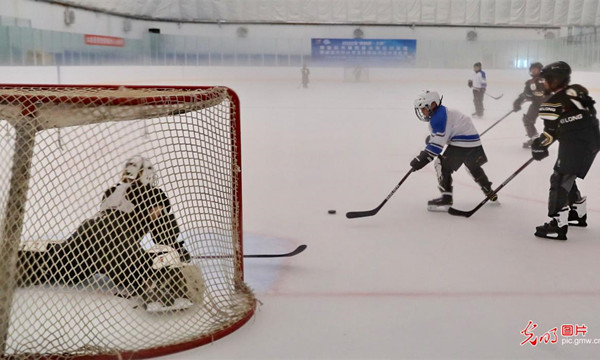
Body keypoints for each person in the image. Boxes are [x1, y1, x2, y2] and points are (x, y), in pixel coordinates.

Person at [17, 156, 202, 310]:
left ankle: (28, 262)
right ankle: (158, 285)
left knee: (65, 268)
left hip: (87, 231)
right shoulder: (153, 194)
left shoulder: (112, 191)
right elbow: (163, 234)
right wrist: (177, 250)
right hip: (115, 238)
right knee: (142, 269)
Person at [531, 61, 600, 240]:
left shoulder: (551, 104)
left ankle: (557, 224)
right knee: (568, 175)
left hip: (577, 143)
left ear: (555, 80)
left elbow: (550, 133)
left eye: (546, 80)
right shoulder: (578, 90)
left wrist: (539, 145)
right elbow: (588, 114)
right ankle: (577, 213)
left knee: (559, 177)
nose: (544, 83)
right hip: (592, 140)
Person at [410, 89, 497, 211]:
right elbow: (444, 134)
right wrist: (432, 139)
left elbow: (435, 148)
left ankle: (446, 198)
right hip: (474, 142)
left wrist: (421, 159)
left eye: (423, 108)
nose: (422, 112)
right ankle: (489, 190)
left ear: (433, 104)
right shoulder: (444, 112)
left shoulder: (438, 118)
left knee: (441, 165)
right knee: (472, 166)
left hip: (462, 143)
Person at [513, 62, 548, 148]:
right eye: (532, 69)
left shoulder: (545, 80)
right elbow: (526, 94)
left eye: (535, 69)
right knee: (527, 120)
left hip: (548, 104)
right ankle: (534, 138)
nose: (533, 71)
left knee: (554, 124)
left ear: (540, 70)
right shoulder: (530, 82)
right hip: (536, 104)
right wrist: (518, 102)